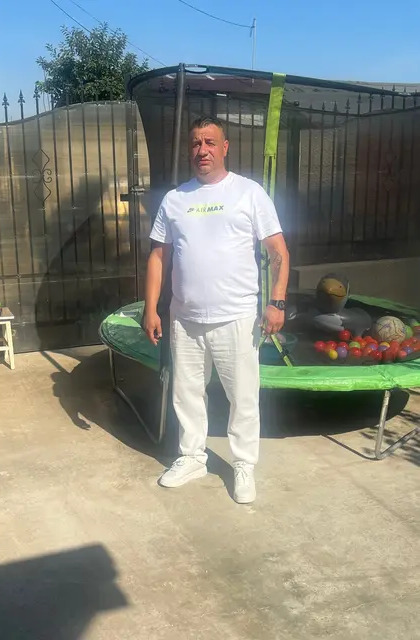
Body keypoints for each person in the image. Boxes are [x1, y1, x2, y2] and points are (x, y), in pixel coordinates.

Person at [143, 116, 289, 504]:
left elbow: (278, 251)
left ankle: (243, 464)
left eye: (210, 142)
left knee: (243, 396)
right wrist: (151, 308)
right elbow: (158, 256)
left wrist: (277, 301)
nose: (202, 150)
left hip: (237, 317)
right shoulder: (175, 199)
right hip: (184, 318)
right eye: (195, 143)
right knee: (186, 393)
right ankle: (192, 457)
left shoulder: (249, 193)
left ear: (225, 147)